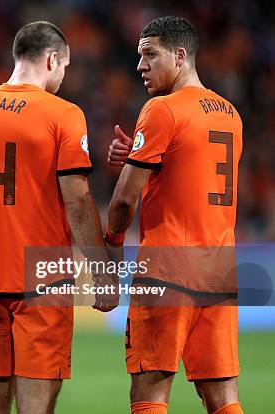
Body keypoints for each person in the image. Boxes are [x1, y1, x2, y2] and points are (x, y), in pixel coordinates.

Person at [0, 21, 116, 414]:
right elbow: (76, 200)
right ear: (52, 59)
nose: (63, 76)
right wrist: (101, 271)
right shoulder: (63, 114)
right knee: (37, 402)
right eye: (64, 67)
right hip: (42, 279)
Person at [106, 16, 244, 414]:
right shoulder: (231, 115)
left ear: (180, 56)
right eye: (139, 56)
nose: (140, 66)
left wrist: (111, 245)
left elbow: (123, 201)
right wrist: (141, 153)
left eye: (150, 54)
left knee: (149, 392)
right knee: (222, 396)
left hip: (168, 269)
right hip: (219, 271)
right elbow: (193, 173)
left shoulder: (162, 109)